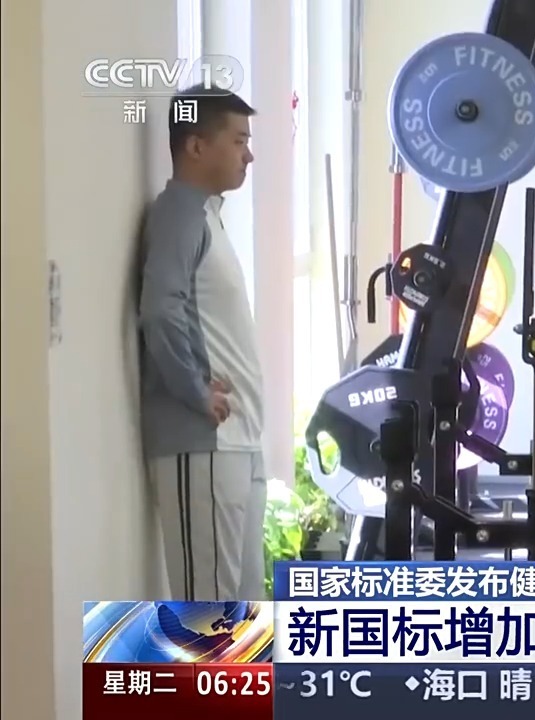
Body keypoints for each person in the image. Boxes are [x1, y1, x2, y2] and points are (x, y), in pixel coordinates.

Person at [138, 87, 266, 601]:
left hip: (238, 443)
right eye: (238, 141)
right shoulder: (178, 214)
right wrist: (194, 391)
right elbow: (159, 309)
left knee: (243, 608)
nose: (248, 155)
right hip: (203, 444)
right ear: (195, 146)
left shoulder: (209, 215)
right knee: (207, 617)